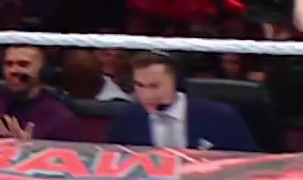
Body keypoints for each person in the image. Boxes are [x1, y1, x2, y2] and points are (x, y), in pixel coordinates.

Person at [106, 52, 257, 151]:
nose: (147, 95)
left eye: (154, 86)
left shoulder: (220, 116)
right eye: (140, 85)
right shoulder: (128, 118)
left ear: (175, 82)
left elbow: (247, 163)